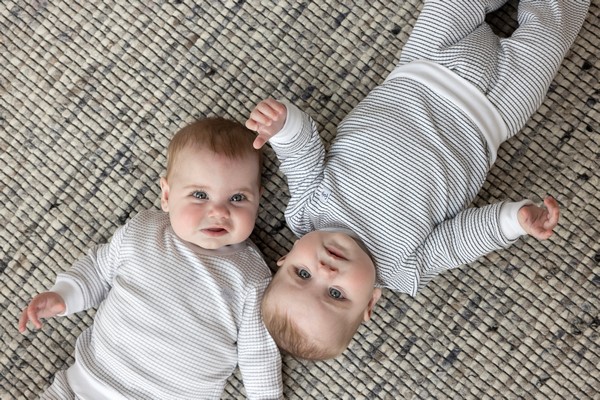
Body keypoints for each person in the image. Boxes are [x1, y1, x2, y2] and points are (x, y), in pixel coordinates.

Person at [245, 0, 589, 360]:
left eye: (302, 274)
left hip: (423, 64)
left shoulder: (306, 213)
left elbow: (302, 155)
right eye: (335, 294)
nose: (325, 270)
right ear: (370, 301)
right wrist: (513, 220)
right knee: (549, 34)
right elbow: (458, 241)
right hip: (496, 108)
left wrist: (283, 127)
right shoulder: (402, 269)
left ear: (285, 257)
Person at [18, 118, 282, 399]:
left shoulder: (253, 277)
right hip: (86, 383)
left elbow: (259, 353)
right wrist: (64, 295)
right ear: (167, 195)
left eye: (238, 198)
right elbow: (99, 269)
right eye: (200, 194)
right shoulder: (145, 231)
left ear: (258, 200)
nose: (218, 212)